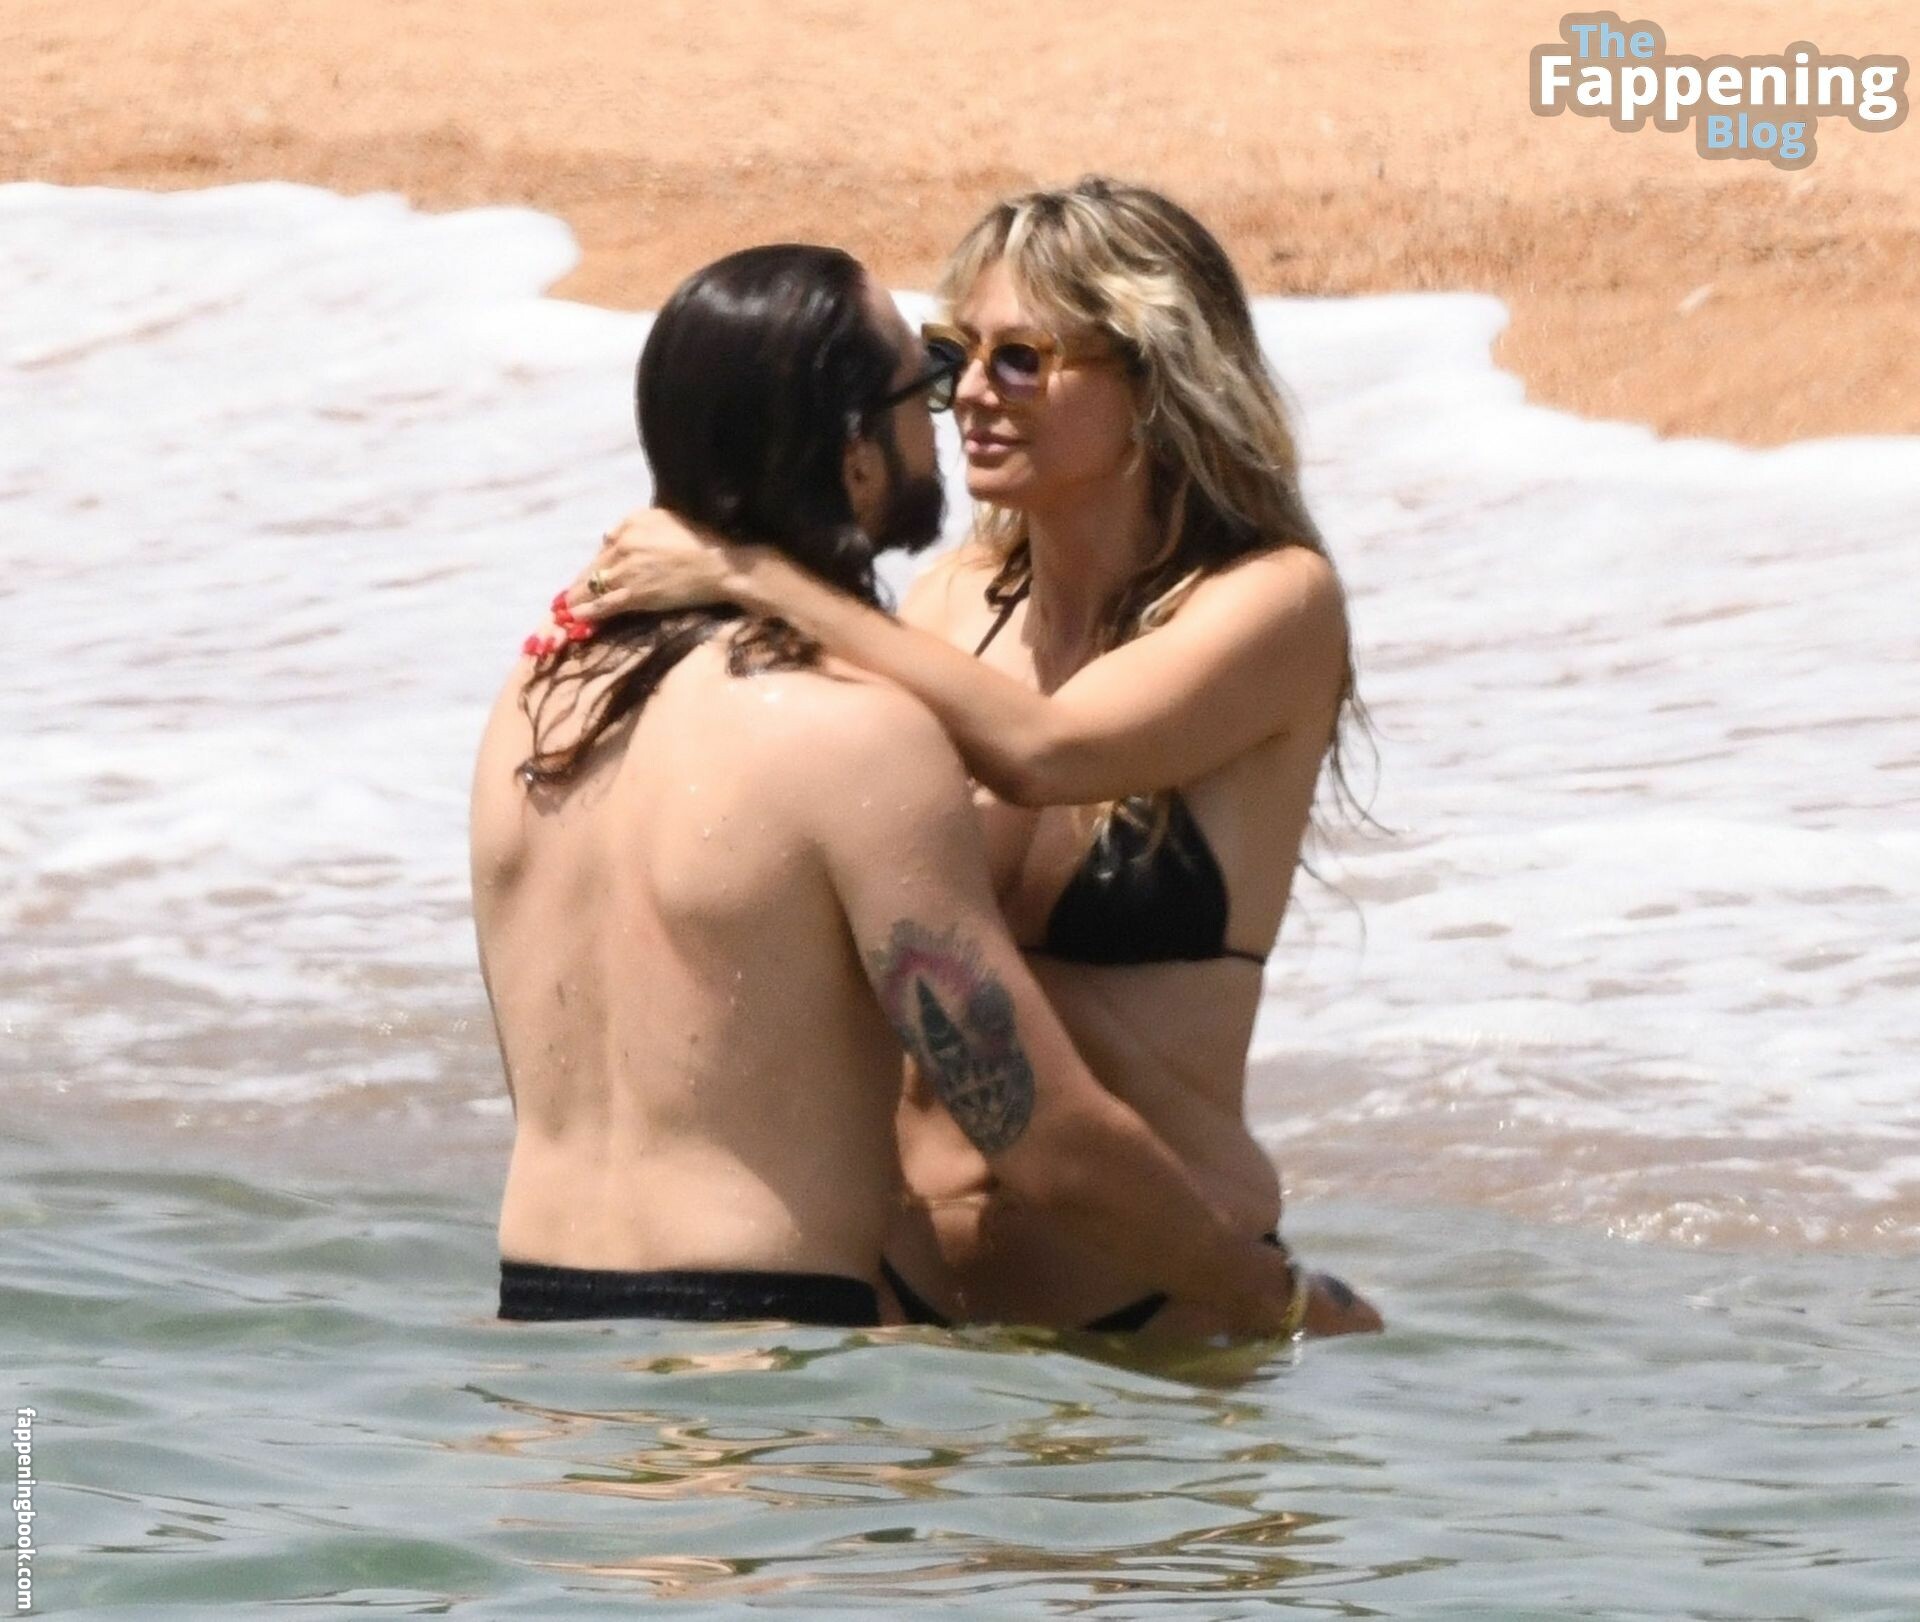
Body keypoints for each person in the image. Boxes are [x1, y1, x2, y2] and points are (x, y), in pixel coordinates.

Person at [555, 179, 1385, 1339]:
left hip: (1156, 1299)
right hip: (917, 1312)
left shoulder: (1271, 603)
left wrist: (756, 575)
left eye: (1022, 359)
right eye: (953, 355)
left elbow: (1051, 749)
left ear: (1154, 378)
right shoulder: (947, 604)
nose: (972, 394)